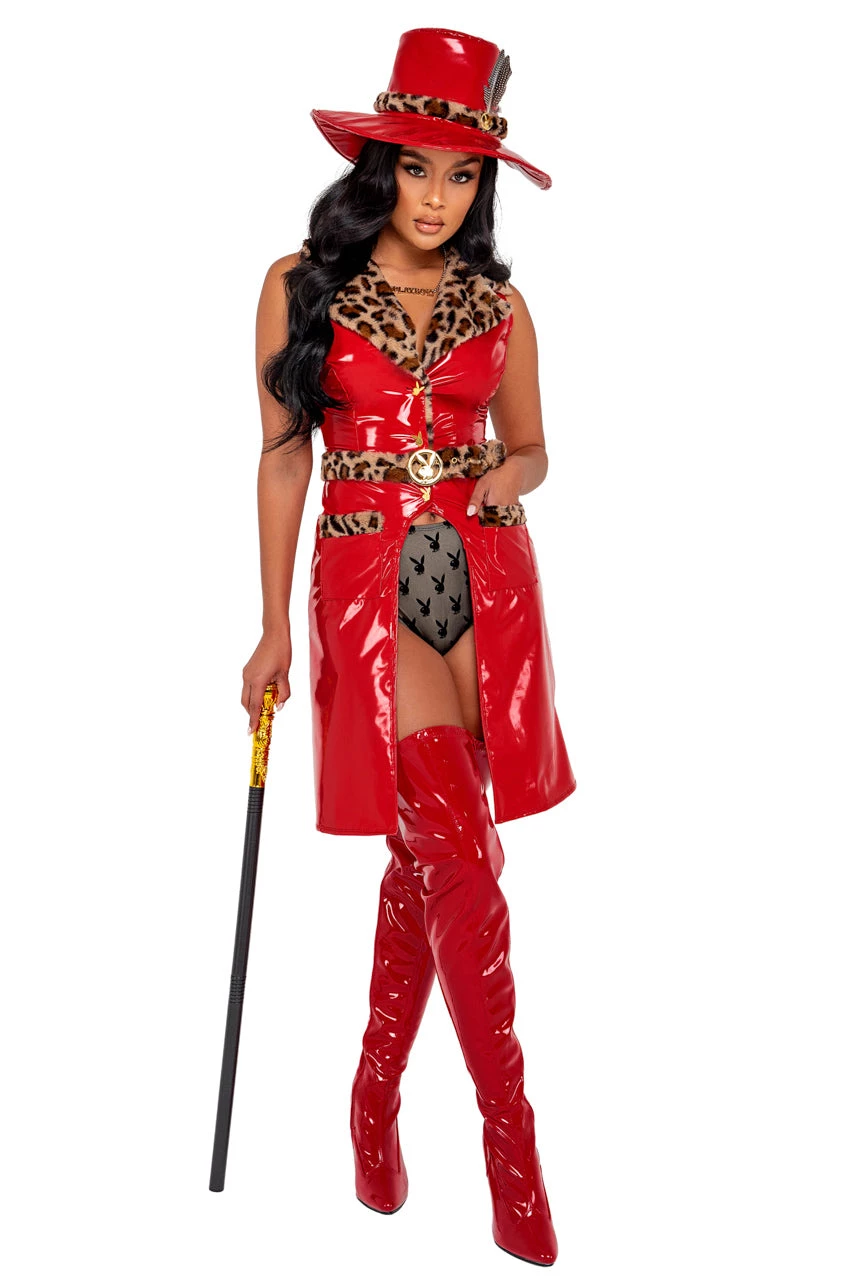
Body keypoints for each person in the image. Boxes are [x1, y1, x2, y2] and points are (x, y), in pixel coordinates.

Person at [240, 27, 577, 1267]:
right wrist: (272, 625)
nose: (438, 198)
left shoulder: (502, 306)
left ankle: (372, 1100)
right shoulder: (299, 283)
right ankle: (512, 1153)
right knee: (462, 853)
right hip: (366, 577)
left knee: (427, 858)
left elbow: (534, 448)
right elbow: (285, 459)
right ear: (380, 164)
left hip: (482, 579)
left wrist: (507, 474)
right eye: (419, 168)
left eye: (463, 174)